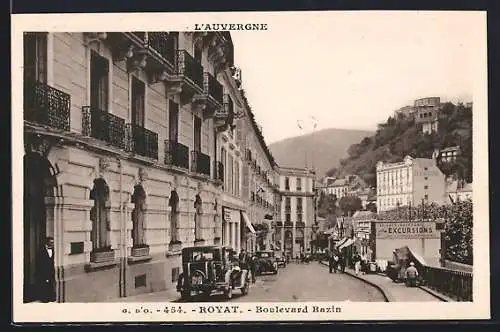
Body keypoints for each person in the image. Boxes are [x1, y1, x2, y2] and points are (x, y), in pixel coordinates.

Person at [36, 236, 56, 303]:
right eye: (51, 242)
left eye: (53, 242)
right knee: (44, 285)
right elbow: (39, 263)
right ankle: (44, 298)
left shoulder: (53, 250)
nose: (52, 244)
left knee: (50, 284)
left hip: (51, 271)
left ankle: (50, 297)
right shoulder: (41, 250)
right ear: (47, 242)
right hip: (43, 272)